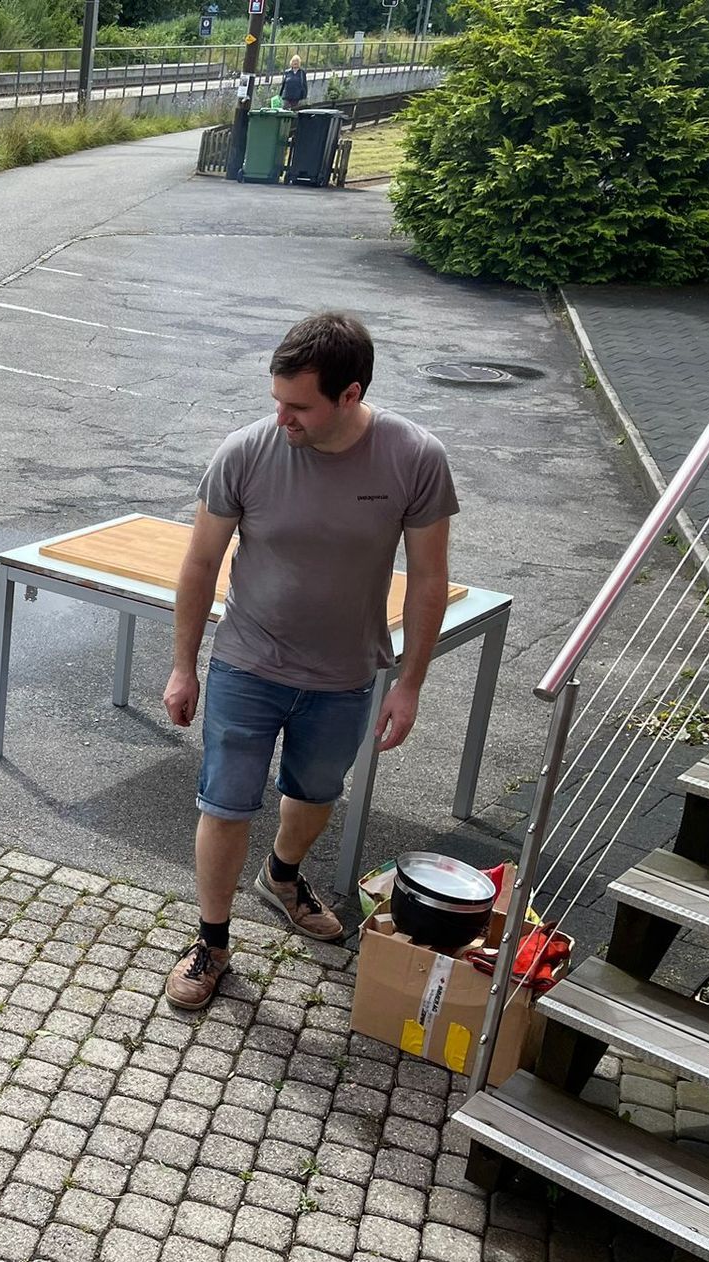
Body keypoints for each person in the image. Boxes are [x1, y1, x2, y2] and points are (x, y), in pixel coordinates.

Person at [160, 312, 457, 1010]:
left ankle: (283, 876)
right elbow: (201, 562)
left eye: (299, 406)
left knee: (316, 796)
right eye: (276, 400)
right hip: (247, 663)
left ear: (350, 395)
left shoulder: (414, 457)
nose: (281, 417)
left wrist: (410, 683)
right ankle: (212, 941)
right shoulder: (246, 452)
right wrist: (184, 665)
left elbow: (432, 579)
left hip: (346, 674)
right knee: (225, 802)